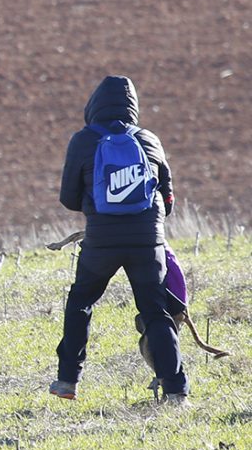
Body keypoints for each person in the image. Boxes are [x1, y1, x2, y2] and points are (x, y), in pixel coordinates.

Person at [50, 75, 188, 403]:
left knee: (81, 301)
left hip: (101, 243)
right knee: (156, 312)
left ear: (94, 106)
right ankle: (176, 390)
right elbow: (168, 200)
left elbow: (69, 198)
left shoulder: (83, 141)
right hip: (147, 242)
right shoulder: (149, 140)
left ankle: (68, 380)